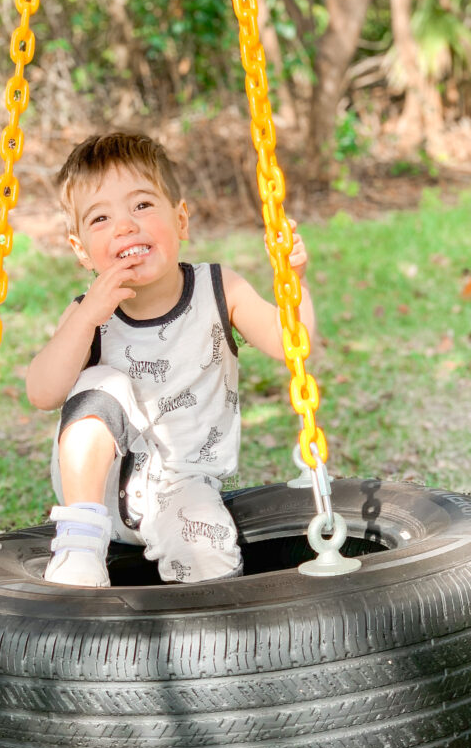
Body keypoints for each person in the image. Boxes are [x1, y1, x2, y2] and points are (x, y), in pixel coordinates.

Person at [26, 131, 315, 587]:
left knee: (209, 560)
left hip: (184, 489)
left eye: (142, 206)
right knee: (101, 385)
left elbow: (290, 345)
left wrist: (291, 279)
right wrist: (85, 320)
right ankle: (80, 547)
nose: (125, 226)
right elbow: (42, 393)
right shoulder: (86, 313)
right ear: (81, 249)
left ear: (180, 220)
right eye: (100, 218)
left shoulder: (221, 290)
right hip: (95, 493)